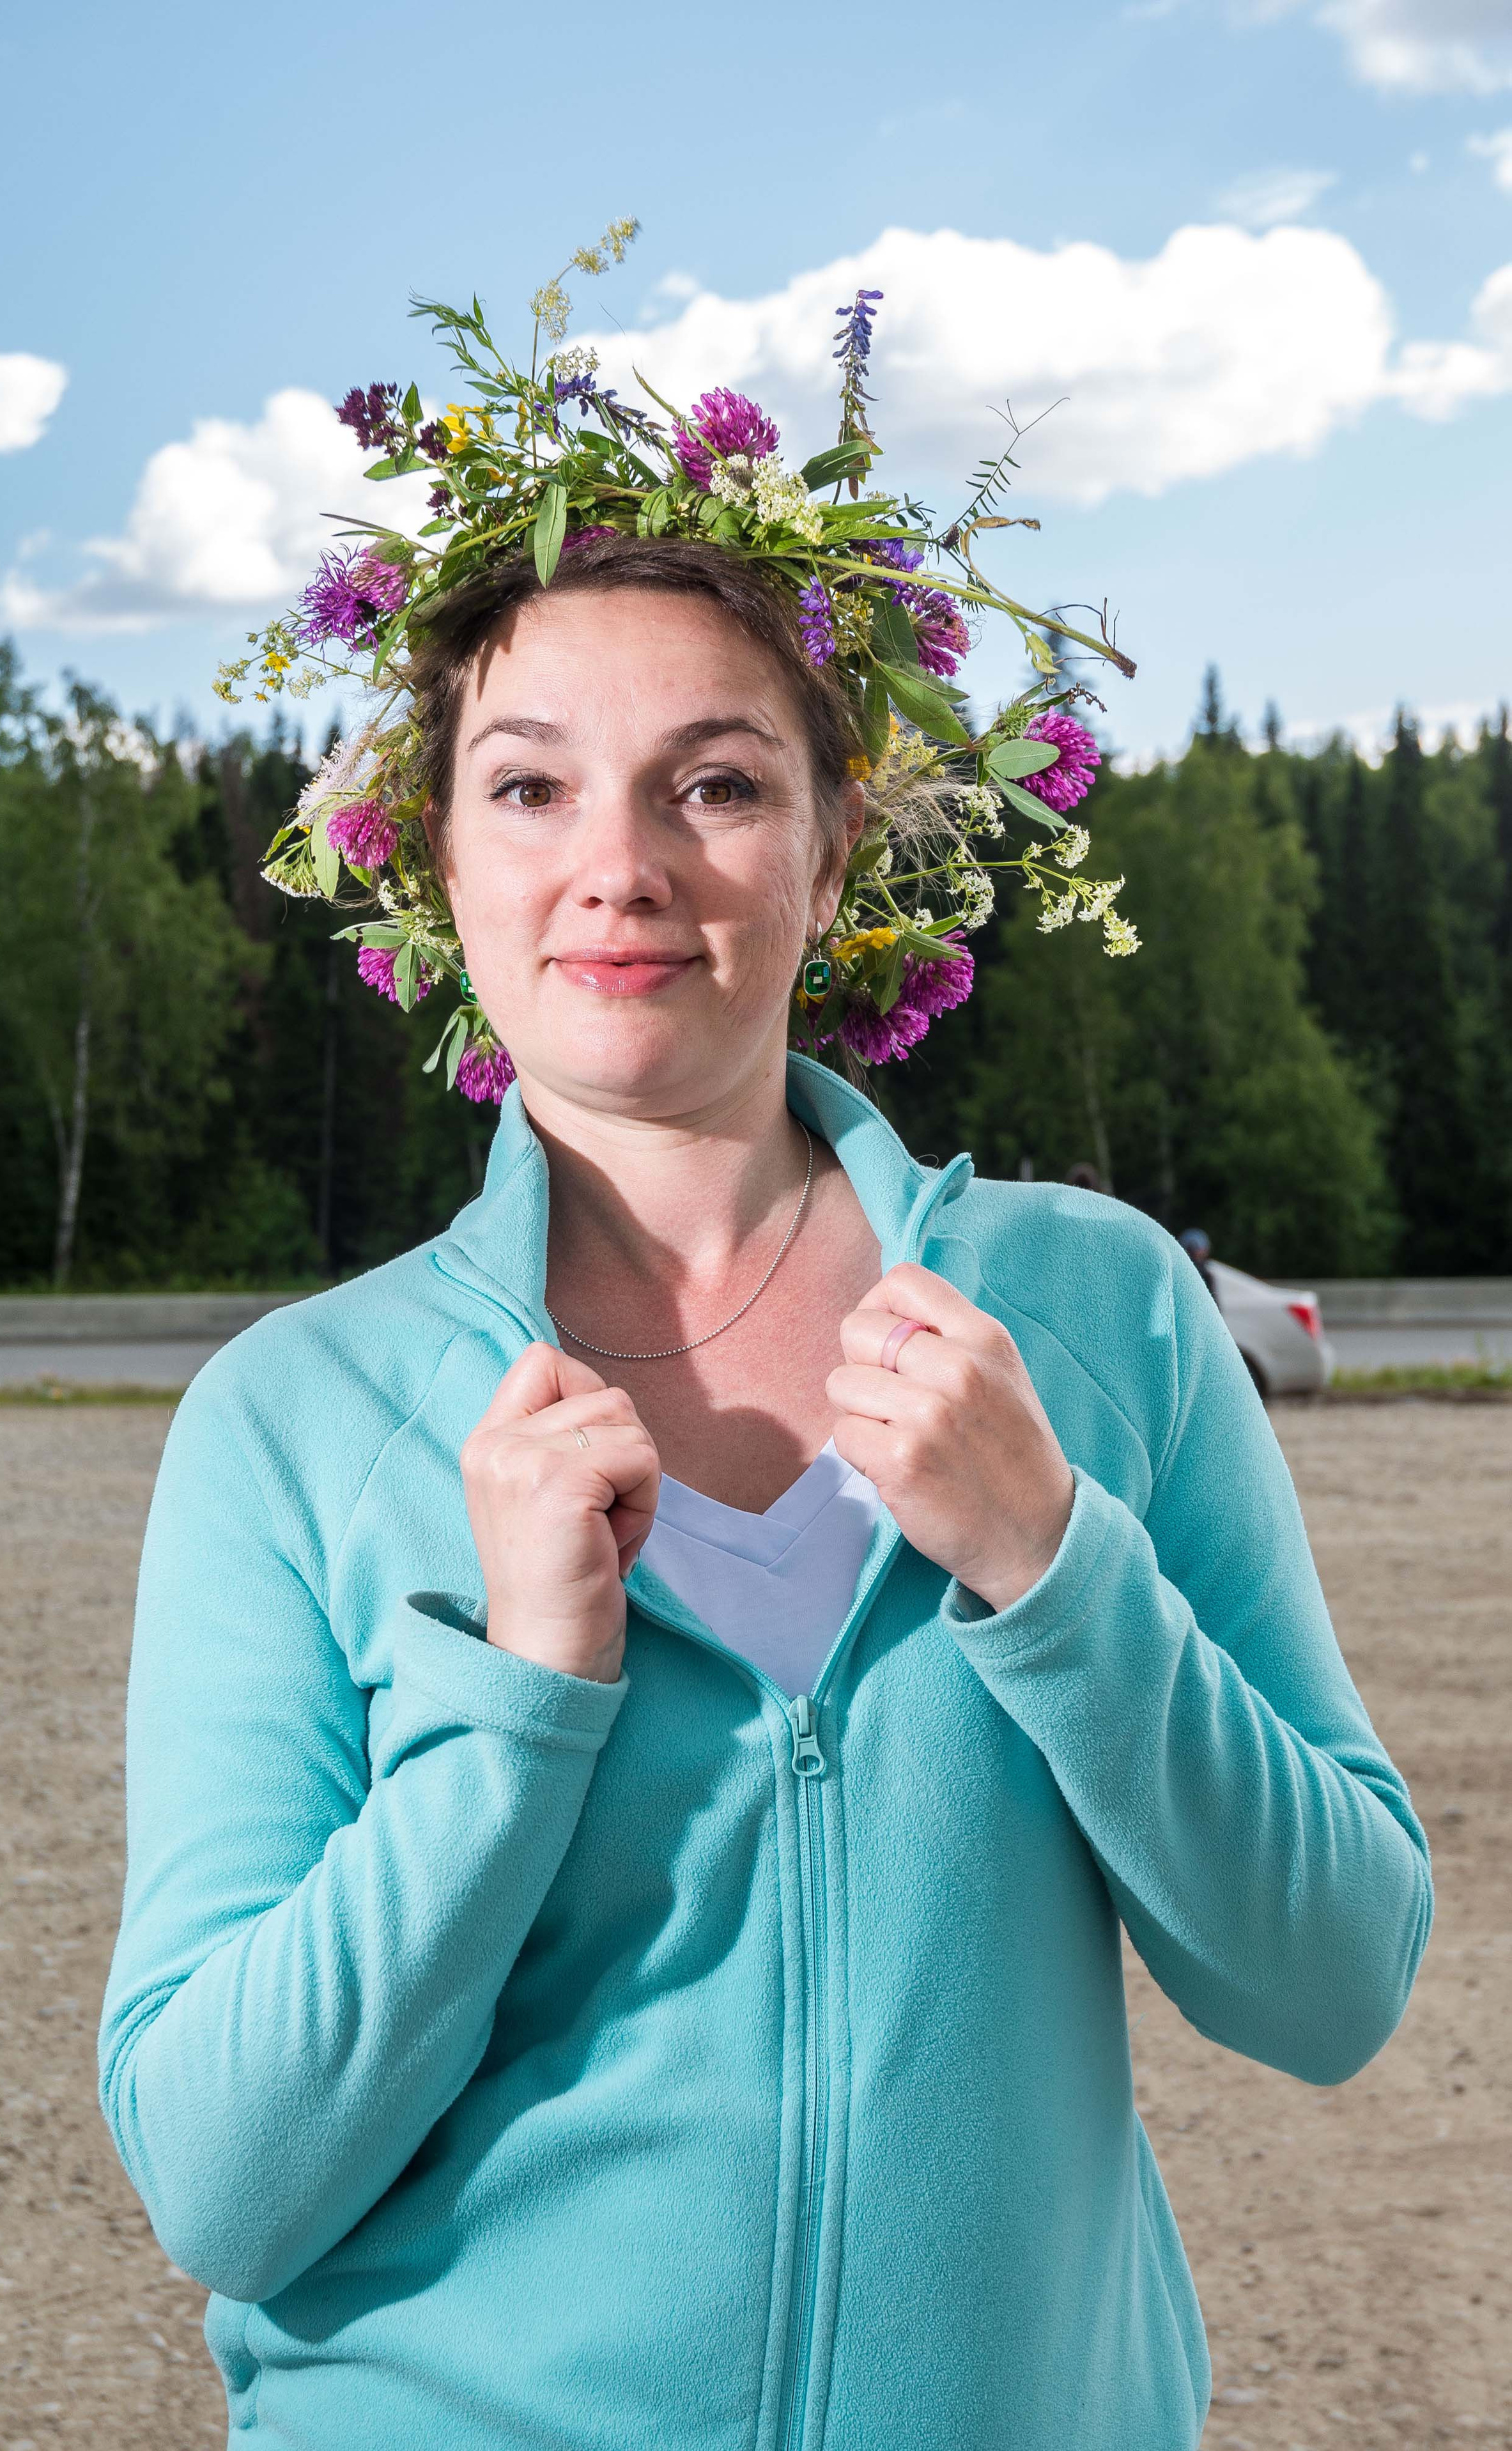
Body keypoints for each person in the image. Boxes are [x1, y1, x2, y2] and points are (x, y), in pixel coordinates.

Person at [99, 249, 1431, 2451]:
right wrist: (517, 1696)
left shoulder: (1090, 1317)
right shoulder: (293, 1423)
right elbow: (225, 2182)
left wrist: (1056, 1564)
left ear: (836, 848)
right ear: (437, 865)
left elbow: (1328, 1984)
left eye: (712, 784)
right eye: (529, 787)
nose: (616, 867)